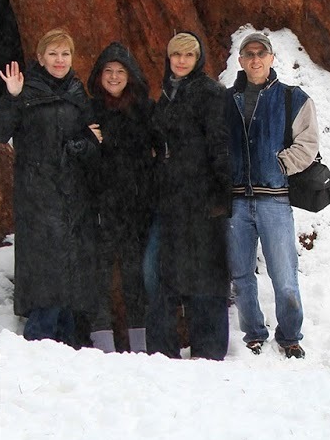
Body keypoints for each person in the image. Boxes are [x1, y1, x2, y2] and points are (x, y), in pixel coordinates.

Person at [0, 27, 103, 348]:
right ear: (40, 57)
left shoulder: (79, 95)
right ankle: (38, 342)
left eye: (65, 54)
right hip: (37, 196)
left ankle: (68, 343)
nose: (59, 60)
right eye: (53, 53)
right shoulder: (26, 91)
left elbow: (95, 142)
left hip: (74, 198)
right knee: (44, 271)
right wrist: (12, 98)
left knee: (70, 272)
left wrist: (82, 145)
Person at [226, 30, 317, 359]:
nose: (255, 59)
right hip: (236, 201)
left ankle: (290, 335)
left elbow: (307, 143)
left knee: (284, 275)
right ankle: (253, 332)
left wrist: (282, 164)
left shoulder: (292, 97)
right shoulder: (226, 100)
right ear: (240, 60)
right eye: (248, 54)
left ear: (271, 58)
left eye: (260, 53)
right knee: (241, 275)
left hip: (275, 200)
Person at [146, 31, 231, 360]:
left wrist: (221, 194)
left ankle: (209, 351)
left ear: (199, 60)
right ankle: (163, 351)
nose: (181, 61)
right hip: (171, 197)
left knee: (206, 274)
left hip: (201, 196)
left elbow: (220, 145)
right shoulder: (169, 93)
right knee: (166, 272)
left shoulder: (209, 93)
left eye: (188, 55)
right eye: (175, 55)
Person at [86, 42, 155, 352]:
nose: (114, 77)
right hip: (97, 207)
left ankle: (139, 346)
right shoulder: (87, 110)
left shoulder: (144, 110)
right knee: (98, 277)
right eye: (108, 71)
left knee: (134, 276)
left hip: (134, 207)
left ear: (131, 76)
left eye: (120, 71)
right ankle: (103, 344)